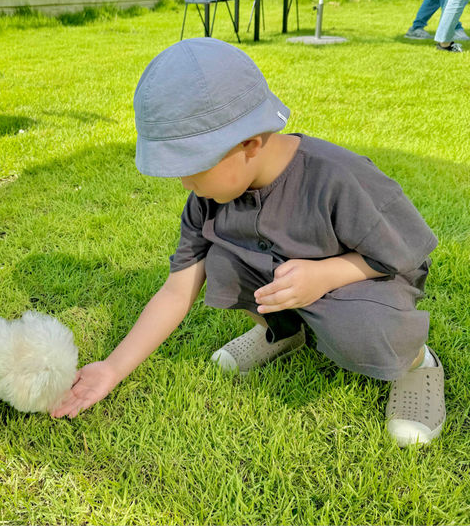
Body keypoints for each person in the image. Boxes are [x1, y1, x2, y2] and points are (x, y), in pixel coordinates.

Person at [52, 38, 446, 447]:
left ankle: (417, 364)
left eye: (192, 168)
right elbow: (176, 291)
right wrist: (113, 368)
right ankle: (283, 332)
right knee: (221, 262)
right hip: (289, 283)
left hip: (367, 280)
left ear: (249, 144)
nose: (186, 184)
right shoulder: (207, 200)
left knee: (361, 329)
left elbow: (404, 254)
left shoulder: (338, 176)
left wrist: (327, 273)